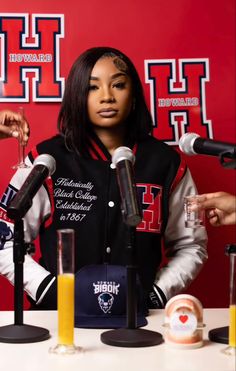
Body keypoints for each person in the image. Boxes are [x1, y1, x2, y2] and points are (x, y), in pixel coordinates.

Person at [0, 47, 207, 313]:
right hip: (59, 318)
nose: (107, 97)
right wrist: (48, 290)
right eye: (92, 88)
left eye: (118, 85)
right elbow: (6, 239)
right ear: (76, 96)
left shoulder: (167, 163)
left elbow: (191, 245)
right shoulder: (46, 159)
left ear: (133, 94)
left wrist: (156, 294)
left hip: (139, 320)